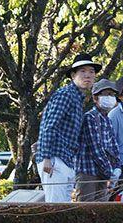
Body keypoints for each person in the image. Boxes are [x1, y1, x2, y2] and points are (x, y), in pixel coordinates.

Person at [37, 53, 98, 202]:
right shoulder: (65, 94)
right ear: (73, 75)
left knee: (63, 211)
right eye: (82, 71)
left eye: (91, 71)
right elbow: (49, 126)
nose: (88, 75)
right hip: (54, 158)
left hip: (66, 160)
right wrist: (46, 157)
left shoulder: (78, 97)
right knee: (55, 209)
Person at [75, 79, 120, 202]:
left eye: (112, 95)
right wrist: (110, 171)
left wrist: (117, 166)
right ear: (95, 98)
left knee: (101, 211)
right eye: (105, 94)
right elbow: (96, 148)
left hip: (103, 173)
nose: (109, 97)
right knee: (85, 210)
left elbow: (113, 145)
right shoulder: (89, 117)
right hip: (88, 172)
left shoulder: (107, 120)